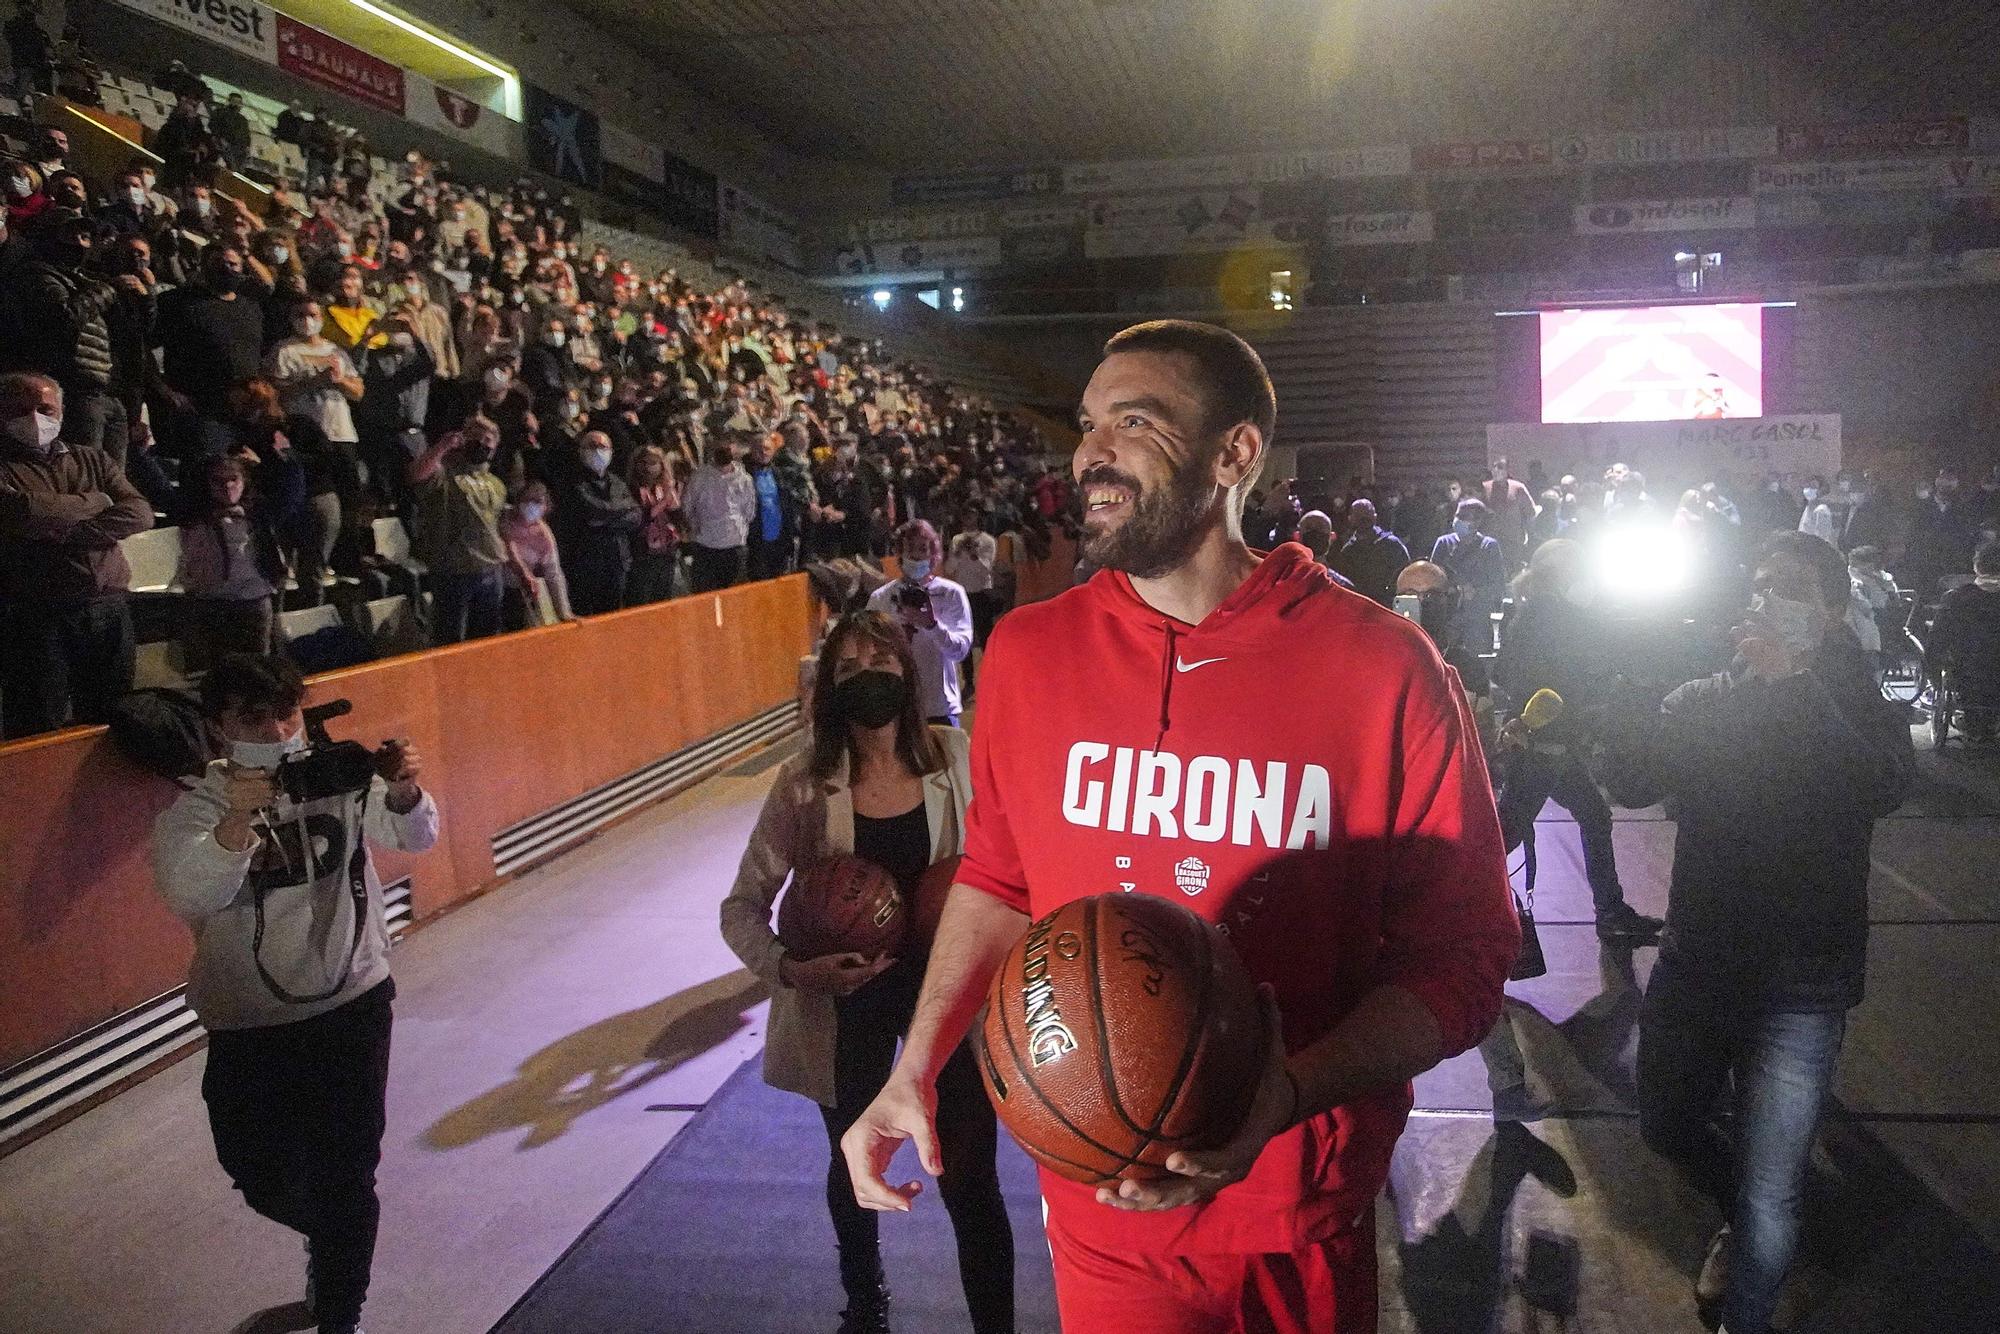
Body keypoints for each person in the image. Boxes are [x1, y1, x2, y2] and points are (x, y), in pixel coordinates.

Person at [839, 321, 1516, 1334]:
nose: (1088, 452)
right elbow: (997, 878)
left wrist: (1284, 1093)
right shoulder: (1028, 651)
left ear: (1233, 453)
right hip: (1094, 1203)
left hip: (1294, 1211)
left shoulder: (1383, 669)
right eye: (1086, 424)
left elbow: (1462, 963)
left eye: (1134, 421)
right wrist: (914, 1066)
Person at [1603, 531, 1914, 1334]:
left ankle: (1747, 1288)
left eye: (1793, 591)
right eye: (1762, 584)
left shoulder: (1857, 704)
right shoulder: (1713, 694)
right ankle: (1740, 1207)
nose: (1768, 599)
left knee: (1772, 1190)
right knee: (1667, 1124)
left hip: (1801, 981)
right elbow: (1633, 776)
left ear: (1835, 613)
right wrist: (1628, 670)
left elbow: (1880, 784)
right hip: (1698, 958)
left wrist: (1801, 689)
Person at [721, 612, 1014, 1334]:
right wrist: (794, 968)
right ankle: (866, 1305)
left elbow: (1004, 874)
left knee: (970, 1176)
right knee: (851, 1160)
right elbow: (740, 909)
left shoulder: (953, 754)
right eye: (847, 671)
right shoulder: (802, 784)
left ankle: (995, 1324)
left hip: (947, 1002)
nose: (868, 680)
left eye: (880, 663)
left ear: (908, 676)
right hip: (845, 999)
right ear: (828, 692)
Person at [152, 653, 438, 1334]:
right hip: (250, 1021)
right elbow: (187, 890)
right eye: (255, 717)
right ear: (220, 727)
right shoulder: (197, 806)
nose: (279, 729)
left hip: (354, 1002)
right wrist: (233, 829)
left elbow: (418, 836)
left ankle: (341, 1309)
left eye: (286, 712)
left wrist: (401, 791)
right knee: (256, 1171)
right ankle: (336, 1235)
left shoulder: (333, 773)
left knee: (349, 1175)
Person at [1493, 539, 1660, 941]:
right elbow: (1598, 664)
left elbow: (1502, 671)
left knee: (1591, 816)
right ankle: (1452, 907)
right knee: (1505, 837)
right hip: (1546, 748)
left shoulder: (1527, 614)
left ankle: (1610, 910)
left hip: (1545, 745)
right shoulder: (1561, 618)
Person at [0, 371, 152, 737]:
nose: (36, 418)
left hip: (108, 608)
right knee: (38, 723)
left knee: (112, 719)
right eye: (22, 409)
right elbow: (22, 512)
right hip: (39, 615)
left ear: (62, 413)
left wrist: (68, 530)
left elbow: (139, 512)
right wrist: (98, 501)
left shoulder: (91, 459)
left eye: (45, 409)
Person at [175, 452, 295, 669]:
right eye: (218, 481)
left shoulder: (258, 513)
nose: (228, 486)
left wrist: (280, 457)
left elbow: (291, 493)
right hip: (211, 601)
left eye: (234, 479)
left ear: (244, 481)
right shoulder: (193, 514)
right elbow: (160, 490)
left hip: (254, 600)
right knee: (216, 670)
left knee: (259, 667)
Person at [408, 416, 509, 642]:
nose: (481, 443)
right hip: (454, 571)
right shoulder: (445, 474)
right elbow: (417, 474)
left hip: (491, 570)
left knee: (486, 641)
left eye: (487, 439)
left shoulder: (496, 484)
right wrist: (443, 447)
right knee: (450, 640)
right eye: (474, 437)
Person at [866, 520, 973, 726]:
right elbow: (869, 650)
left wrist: (932, 625)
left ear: (932, 553)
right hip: (896, 709)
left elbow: (959, 650)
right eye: (909, 549)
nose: (915, 556)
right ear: (899, 553)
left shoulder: (951, 593)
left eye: (922, 548)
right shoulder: (881, 598)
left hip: (938, 707)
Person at [550, 429, 640, 615]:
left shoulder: (618, 482)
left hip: (616, 561)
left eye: (603, 446)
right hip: (583, 563)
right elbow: (590, 511)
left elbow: (636, 514)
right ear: (581, 450)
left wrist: (604, 520)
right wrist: (619, 511)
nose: (598, 450)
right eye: (592, 446)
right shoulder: (571, 482)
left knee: (612, 617)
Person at [1924, 540, 2000, 741]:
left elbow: (1937, 640)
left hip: (1967, 668)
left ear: (1977, 566)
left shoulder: (1956, 598)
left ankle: (1975, 722)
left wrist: (1931, 671)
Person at [1429, 495, 1507, 656]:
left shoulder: (1489, 546)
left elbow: (1498, 584)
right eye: (1458, 515)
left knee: (1475, 661)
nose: (1458, 520)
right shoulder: (1443, 543)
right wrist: (1452, 588)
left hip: (1476, 618)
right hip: (1448, 616)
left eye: (1465, 517)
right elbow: (1432, 577)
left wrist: (1475, 591)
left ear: (1477, 522)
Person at [498, 481, 575, 627]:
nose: (531, 506)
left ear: (545, 507)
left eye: (537, 501)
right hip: (496, 588)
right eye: (528, 500)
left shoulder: (543, 535)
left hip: (519, 594)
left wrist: (564, 612)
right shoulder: (503, 520)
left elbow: (554, 574)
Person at [684, 438, 756, 593]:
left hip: (734, 545)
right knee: (704, 595)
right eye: (720, 450)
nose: (725, 453)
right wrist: (696, 527)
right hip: (705, 546)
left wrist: (738, 529)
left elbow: (749, 511)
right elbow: (688, 507)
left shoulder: (744, 479)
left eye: (728, 449)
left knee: (732, 596)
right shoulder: (700, 477)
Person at [625, 444, 681, 606]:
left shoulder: (662, 487)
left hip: (666, 551)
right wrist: (664, 501)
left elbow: (676, 512)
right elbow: (642, 518)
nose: (649, 468)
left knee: (663, 597)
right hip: (643, 553)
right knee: (641, 599)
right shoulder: (633, 489)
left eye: (654, 463)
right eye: (645, 463)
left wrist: (670, 490)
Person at [1333, 498, 1411, 607]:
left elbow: (1407, 575)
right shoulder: (1348, 551)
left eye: (1367, 513)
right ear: (1350, 518)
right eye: (1358, 514)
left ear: (1375, 516)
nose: (1363, 518)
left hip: (1388, 608)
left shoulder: (1392, 545)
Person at [1481, 456, 1539, 570]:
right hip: (1490, 542)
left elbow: (1530, 513)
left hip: (1513, 542)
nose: (1496, 470)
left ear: (1507, 471)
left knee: (1513, 573)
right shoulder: (1484, 487)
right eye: (1494, 467)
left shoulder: (1518, 488)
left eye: (1500, 467)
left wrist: (1529, 535)